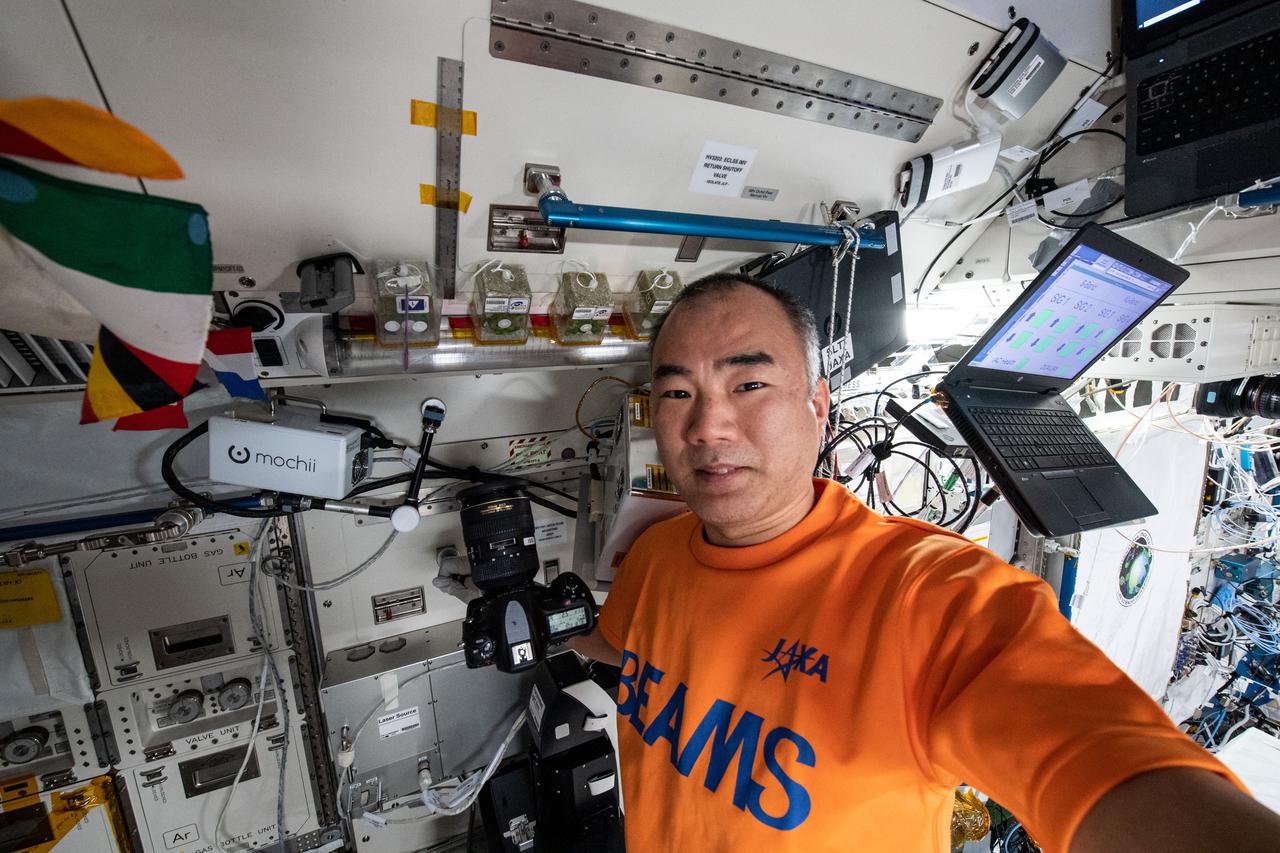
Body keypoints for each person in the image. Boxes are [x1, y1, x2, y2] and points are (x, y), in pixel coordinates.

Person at [570, 273, 1280, 852]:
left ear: (819, 404)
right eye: (676, 393)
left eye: (749, 385)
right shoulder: (659, 553)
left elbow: (1114, 770)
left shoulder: (929, 597)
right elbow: (624, 643)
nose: (707, 426)